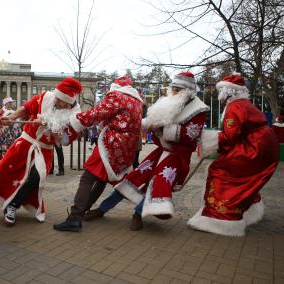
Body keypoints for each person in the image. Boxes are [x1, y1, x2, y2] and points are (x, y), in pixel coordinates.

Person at [85, 72, 209, 231]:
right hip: (160, 152)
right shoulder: (170, 103)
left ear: (187, 90)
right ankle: (102, 209)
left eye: (178, 89)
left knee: (157, 184)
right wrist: (153, 128)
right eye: (174, 89)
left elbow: (191, 134)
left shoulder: (199, 109)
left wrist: (162, 128)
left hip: (178, 156)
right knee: (133, 179)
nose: (175, 92)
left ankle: (138, 214)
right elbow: (156, 131)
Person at [0, 77, 82, 226]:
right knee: (1, 174)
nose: (57, 102)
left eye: (61, 101)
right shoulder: (47, 98)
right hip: (25, 142)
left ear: (69, 102)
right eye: (57, 98)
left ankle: (13, 205)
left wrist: (51, 127)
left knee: (36, 178)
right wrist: (11, 117)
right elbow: (27, 108)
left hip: (44, 151)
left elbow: (66, 141)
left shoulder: (75, 117)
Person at [188, 73, 279, 237]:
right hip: (264, 147)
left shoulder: (234, 107)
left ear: (228, 90)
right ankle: (249, 208)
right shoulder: (244, 104)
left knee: (220, 170)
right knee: (245, 177)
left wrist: (206, 139)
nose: (219, 94)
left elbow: (229, 138)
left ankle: (221, 219)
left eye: (221, 89)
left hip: (255, 149)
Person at [53, 76, 143, 232]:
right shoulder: (137, 102)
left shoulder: (117, 96)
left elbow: (96, 113)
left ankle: (75, 217)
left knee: (87, 178)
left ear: (115, 87)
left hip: (111, 144)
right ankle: (84, 209)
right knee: (101, 179)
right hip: (126, 148)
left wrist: (73, 121)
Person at [0, 96, 22, 161]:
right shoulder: (1, 112)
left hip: (12, 135)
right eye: (9, 102)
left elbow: (17, 122)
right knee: (3, 150)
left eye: (11, 102)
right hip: (3, 135)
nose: (11, 104)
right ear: (6, 103)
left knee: (12, 149)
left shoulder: (13, 111)